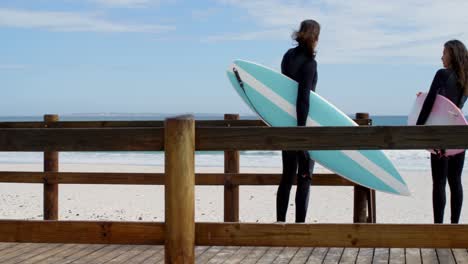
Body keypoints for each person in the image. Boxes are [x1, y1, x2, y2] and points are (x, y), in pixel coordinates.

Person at [416, 39, 468, 223]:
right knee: (456, 181)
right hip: (460, 134)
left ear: (452, 54)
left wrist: (418, 126)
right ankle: (454, 226)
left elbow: (432, 102)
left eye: (444, 53)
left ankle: (438, 227)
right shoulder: (465, 78)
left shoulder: (441, 74)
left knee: (439, 182)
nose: (441, 57)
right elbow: (451, 105)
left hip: (441, 135)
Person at [276, 19, 320, 223]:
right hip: (302, 127)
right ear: (315, 37)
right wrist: (302, 135)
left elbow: (284, 92)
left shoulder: (288, 56)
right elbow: (303, 99)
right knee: (304, 177)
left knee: (286, 177)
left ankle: (280, 223)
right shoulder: (310, 63)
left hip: (285, 124)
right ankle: (300, 227)